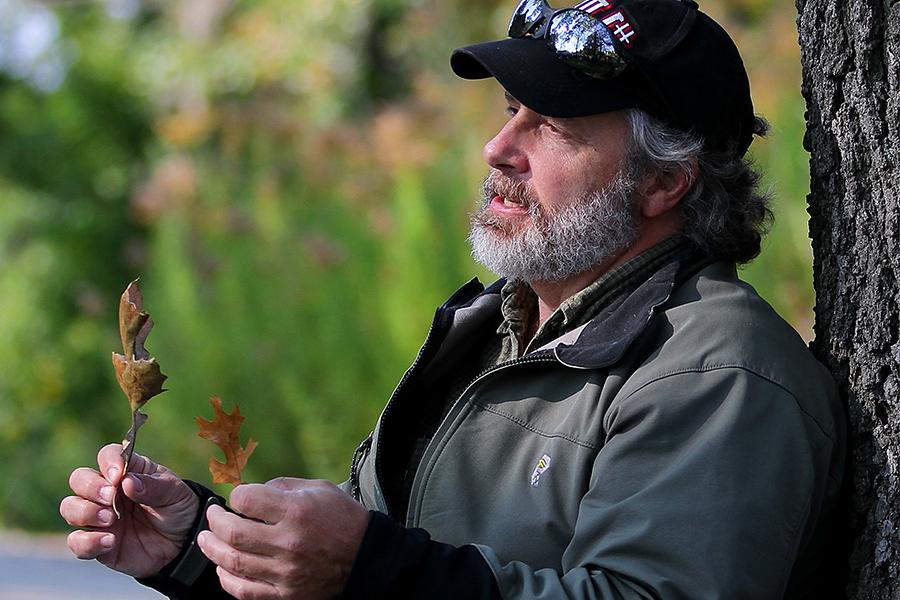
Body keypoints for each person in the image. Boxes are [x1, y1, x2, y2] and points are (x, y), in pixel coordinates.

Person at [60, 0, 847, 598]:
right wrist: (196, 545)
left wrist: (370, 567)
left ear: (665, 182)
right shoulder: (489, 327)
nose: (499, 149)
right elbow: (368, 562)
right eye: (512, 112)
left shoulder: (717, 375)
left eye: (555, 128)